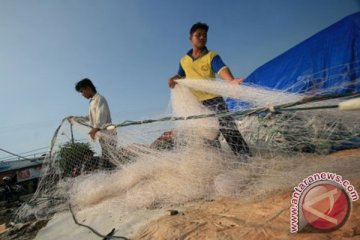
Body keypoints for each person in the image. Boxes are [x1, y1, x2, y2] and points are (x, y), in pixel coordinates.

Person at [168, 22, 251, 156]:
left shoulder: (211, 55)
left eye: (204, 35)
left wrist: (231, 81)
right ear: (190, 38)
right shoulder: (183, 60)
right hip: (197, 104)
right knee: (208, 135)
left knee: (229, 131)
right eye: (198, 35)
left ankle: (246, 159)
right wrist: (173, 79)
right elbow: (181, 75)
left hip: (215, 101)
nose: (202, 38)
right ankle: (219, 162)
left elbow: (221, 68)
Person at [72, 78, 116, 169]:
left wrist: (94, 129)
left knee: (110, 158)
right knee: (107, 158)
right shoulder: (92, 101)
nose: (82, 94)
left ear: (88, 88)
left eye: (81, 91)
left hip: (109, 135)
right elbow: (90, 117)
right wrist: (75, 118)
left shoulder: (99, 99)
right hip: (103, 136)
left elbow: (101, 116)